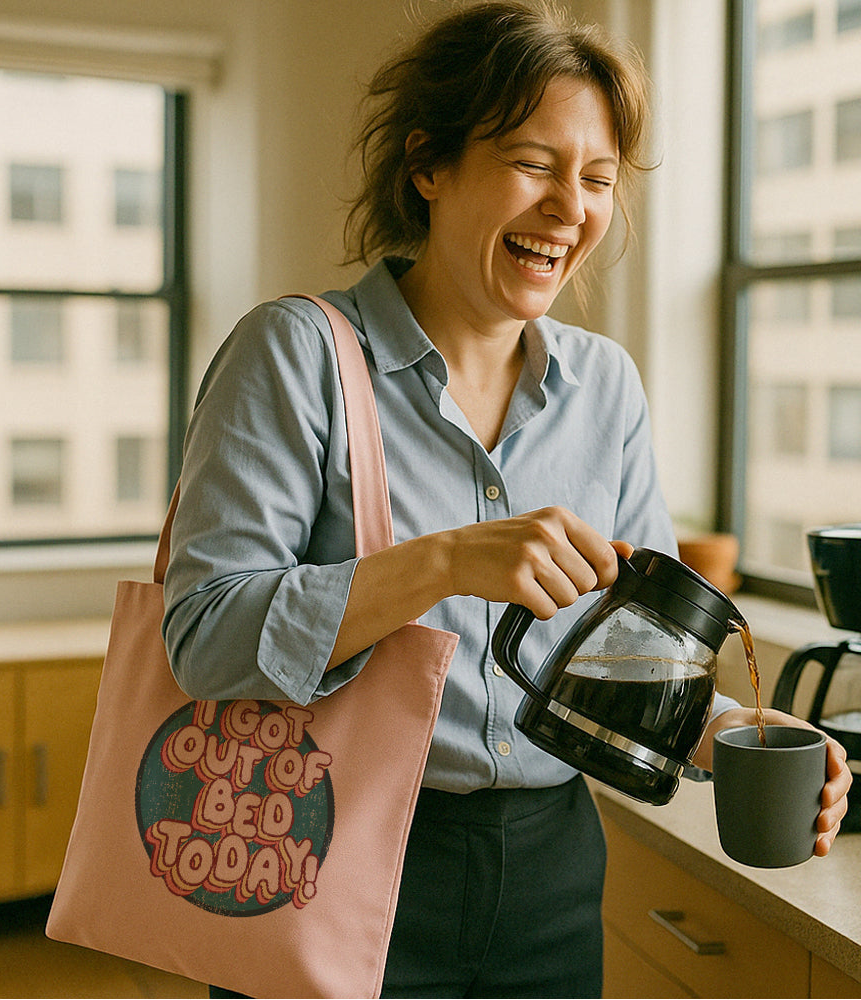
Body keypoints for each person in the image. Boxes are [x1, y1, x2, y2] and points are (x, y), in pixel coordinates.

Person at [163, 2, 852, 996]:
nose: (570, 206)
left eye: (598, 178)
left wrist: (730, 730)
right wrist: (443, 562)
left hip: (549, 876)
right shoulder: (297, 354)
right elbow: (202, 637)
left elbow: (639, 662)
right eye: (534, 162)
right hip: (322, 857)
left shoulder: (606, 384)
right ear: (428, 164)